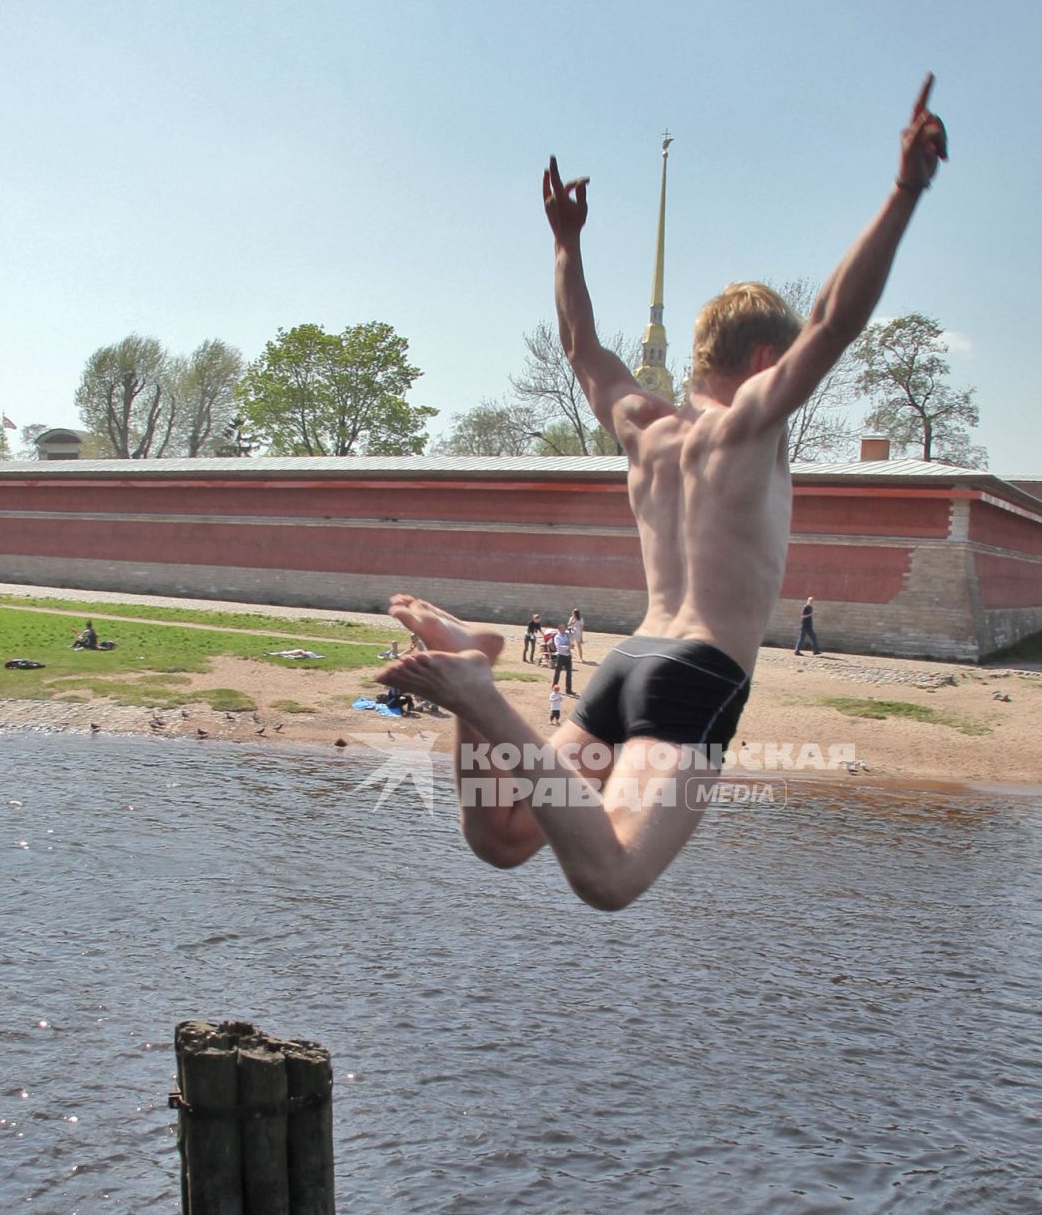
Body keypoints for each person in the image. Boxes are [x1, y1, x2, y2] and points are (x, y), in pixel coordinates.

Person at [380, 77, 948, 909]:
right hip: (701, 673)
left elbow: (579, 346)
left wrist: (566, 245)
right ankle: (479, 691)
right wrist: (902, 193)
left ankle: (474, 669)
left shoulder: (644, 425)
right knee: (609, 878)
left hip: (631, 659)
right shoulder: (748, 423)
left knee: (502, 839)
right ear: (763, 362)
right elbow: (834, 322)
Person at [551, 620, 575, 694]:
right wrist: (568, 647)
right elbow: (559, 647)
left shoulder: (567, 635)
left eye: (565, 628)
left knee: (569, 673)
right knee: (557, 672)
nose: (564, 630)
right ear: (560, 629)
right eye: (563, 628)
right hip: (561, 656)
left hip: (568, 656)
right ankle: (554, 687)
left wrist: (572, 631)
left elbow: (572, 636)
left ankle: (568, 689)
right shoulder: (557, 637)